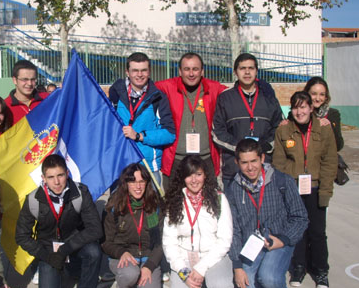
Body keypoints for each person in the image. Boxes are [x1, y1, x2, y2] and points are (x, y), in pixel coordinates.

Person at [15, 154, 109, 288]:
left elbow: (95, 229)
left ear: (67, 173)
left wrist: (65, 249)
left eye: (60, 175)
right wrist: (45, 255)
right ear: (43, 178)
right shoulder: (33, 200)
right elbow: (22, 236)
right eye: (51, 177)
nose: (56, 182)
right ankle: (51, 267)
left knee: (93, 251)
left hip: (73, 244)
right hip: (48, 250)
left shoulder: (80, 193)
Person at [227, 139, 308, 288]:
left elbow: (300, 217)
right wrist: (237, 266)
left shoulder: (282, 181)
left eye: (254, 161)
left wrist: (284, 240)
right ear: (237, 163)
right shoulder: (233, 188)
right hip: (252, 246)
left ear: (262, 158)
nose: (250, 168)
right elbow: (233, 230)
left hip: (278, 240)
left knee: (269, 278)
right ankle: (266, 278)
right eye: (244, 162)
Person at [273, 91, 337, 288]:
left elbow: (329, 162)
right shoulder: (283, 131)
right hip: (293, 188)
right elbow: (279, 162)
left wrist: (326, 191)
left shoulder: (324, 129)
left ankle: (320, 270)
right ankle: (299, 267)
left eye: (303, 107)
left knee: (317, 232)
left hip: (316, 187)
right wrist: (284, 189)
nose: (299, 111)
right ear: (290, 110)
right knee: (297, 231)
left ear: (311, 108)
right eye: (295, 107)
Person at [163, 155, 233, 288]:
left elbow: (224, 240)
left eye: (198, 174)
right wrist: (183, 271)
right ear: (183, 178)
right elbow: (169, 242)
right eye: (189, 175)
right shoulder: (174, 201)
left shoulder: (219, 199)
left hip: (213, 255)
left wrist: (201, 269)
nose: (194, 180)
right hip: (185, 256)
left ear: (205, 175)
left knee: (220, 286)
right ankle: (193, 283)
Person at [213, 53, 283, 191]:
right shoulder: (225, 98)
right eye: (242, 68)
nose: (247, 72)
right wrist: (241, 148)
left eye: (250, 68)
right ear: (235, 72)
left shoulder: (269, 97)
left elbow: (279, 127)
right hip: (233, 168)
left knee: (265, 210)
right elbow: (217, 132)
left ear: (256, 71)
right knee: (234, 211)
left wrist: (266, 145)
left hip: (263, 166)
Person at [156, 52, 226, 188]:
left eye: (195, 69)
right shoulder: (167, 87)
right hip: (176, 159)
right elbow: (142, 85)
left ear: (202, 71)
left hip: (205, 159)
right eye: (187, 69)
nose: (191, 74)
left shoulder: (213, 88)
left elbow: (238, 90)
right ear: (180, 71)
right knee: (173, 205)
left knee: (208, 205)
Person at [102, 163, 163, 288]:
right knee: (130, 273)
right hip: (123, 257)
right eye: (133, 181)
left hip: (148, 258)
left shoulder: (154, 205)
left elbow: (160, 242)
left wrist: (150, 266)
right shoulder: (115, 205)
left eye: (142, 181)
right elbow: (105, 241)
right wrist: (121, 252)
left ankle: (142, 275)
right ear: (125, 183)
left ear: (147, 183)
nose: (138, 186)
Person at [109, 52, 175, 184]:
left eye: (144, 70)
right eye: (135, 71)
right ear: (127, 72)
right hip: (121, 165)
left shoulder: (158, 97)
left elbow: (169, 134)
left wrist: (140, 136)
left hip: (148, 168)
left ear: (149, 72)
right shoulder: (116, 94)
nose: (139, 75)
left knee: (151, 205)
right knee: (120, 204)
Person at [303, 77, 344, 152]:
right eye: (313, 94)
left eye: (322, 94)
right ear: (306, 94)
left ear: (326, 97)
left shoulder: (332, 114)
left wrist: (330, 127)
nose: (318, 99)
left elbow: (339, 145)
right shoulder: (299, 113)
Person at [5, 59, 47, 125]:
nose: (30, 83)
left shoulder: (47, 99)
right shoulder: (5, 107)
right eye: (25, 79)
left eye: (33, 79)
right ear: (14, 80)